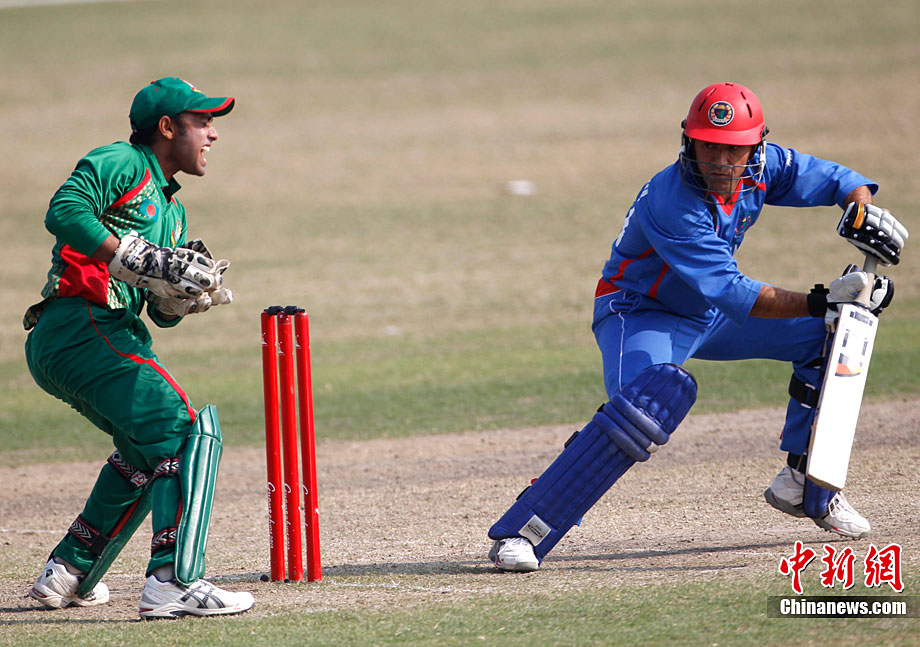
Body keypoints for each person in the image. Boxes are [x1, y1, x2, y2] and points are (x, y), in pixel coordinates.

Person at [487, 82, 908, 572]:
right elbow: (733, 292)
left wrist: (860, 208)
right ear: (689, 142)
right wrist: (822, 299)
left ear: (757, 147)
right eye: (710, 146)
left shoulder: (763, 167)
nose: (722, 162)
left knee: (831, 336)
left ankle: (804, 484)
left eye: (735, 150)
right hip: (641, 312)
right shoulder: (672, 202)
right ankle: (526, 527)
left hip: (707, 313)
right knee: (640, 410)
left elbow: (838, 179)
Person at [24, 77, 255, 618]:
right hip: (81, 322)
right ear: (167, 127)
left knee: (144, 452)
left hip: (90, 336)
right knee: (184, 433)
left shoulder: (173, 213)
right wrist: (136, 258)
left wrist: (179, 296)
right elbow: (64, 211)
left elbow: (159, 314)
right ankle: (174, 581)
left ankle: (68, 571)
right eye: (203, 122)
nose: (213, 134)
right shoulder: (123, 162)